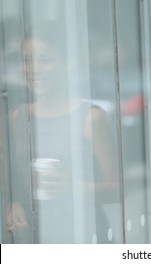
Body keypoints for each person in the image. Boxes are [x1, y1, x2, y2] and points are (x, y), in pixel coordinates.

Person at [7, 21, 119, 243]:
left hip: (84, 235)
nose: (34, 69)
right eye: (27, 60)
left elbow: (118, 190)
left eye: (45, 60)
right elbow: (10, 180)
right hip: (33, 236)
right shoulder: (16, 118)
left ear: (68, 62)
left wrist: (72, 187)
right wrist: (11, 204)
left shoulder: (89, 118)